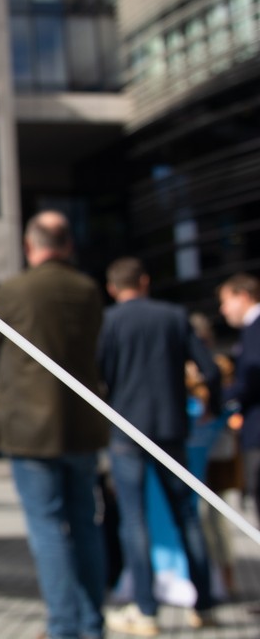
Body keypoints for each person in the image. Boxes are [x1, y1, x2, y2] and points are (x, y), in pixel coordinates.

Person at [0, 210, 108, 639]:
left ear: (30, 247)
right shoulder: (88, 290)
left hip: (30, 429)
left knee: (48, 528)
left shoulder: (14, 290)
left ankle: (63, 627)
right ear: (67, 246)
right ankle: (92, 624)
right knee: (85, 524)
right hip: (82, 426)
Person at [98, 257, 218, 634]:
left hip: (126, 430)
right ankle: (205, 605)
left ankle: (146, 611)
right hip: (171, 428)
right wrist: (212, 407)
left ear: (113, 288)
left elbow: (98, 374)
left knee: (134, 520)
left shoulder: (111, 321)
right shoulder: (174, 316)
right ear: (146, 281)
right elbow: (210, 369)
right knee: (186, 516)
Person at [189, 311, 241, 597]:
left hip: (217, 453)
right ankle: (210, 580)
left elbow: (226, 403)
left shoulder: (218, 367)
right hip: (194, 455)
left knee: (216, 517)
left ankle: (226, 579)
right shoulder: (187, 371)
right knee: (202, 518)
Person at [218, 273, 260, 525]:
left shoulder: (255, 328)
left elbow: (253, 375)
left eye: (226, 301)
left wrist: (221, 398)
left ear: (243, 296)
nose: (223, 310)